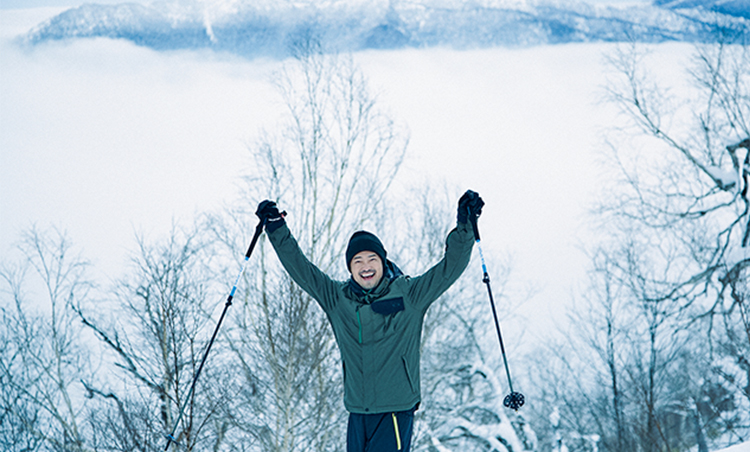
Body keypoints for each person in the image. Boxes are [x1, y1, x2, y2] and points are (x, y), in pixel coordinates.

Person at [255, 190, 484, 452]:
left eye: (372, 259)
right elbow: (301, 269)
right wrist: (276, 228)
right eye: (358, 260)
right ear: (350, 268)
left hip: (395, 411)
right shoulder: (337, 299)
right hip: (357, 411)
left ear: (383, 263)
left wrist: (465, 227)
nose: (366, 265)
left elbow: (450, 268)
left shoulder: (409, 295)